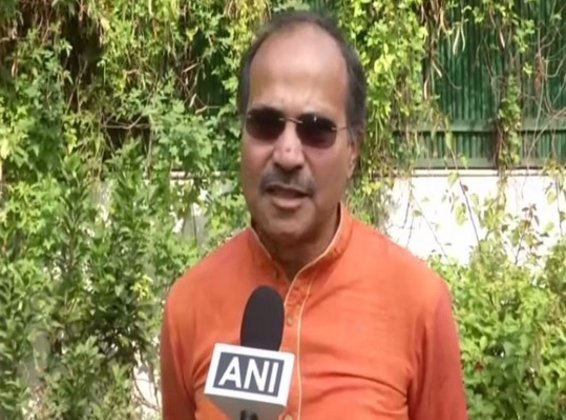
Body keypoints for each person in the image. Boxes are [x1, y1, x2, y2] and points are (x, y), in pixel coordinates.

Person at [159, 10, 468, 420]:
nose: (287, 153)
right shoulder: (189, 305)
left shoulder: (418, 303)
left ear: (353, 150)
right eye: (265, 123)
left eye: (316, 128)